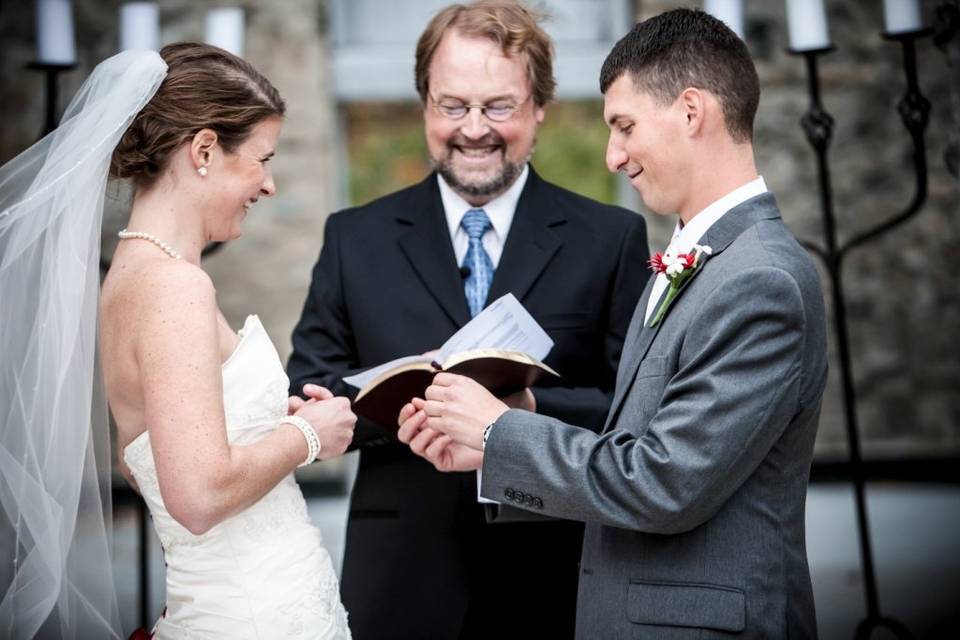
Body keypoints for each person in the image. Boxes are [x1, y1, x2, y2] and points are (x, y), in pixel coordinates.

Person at [400, 8, 829, 639]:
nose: (612, 155)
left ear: (690, 111)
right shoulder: (701, 260)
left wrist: (498, 430)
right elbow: (638, 438)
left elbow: (664, 481)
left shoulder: (759, 280)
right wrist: (520, 416)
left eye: (624, 126)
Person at [286, 1, 649, 637]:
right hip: (400, 576)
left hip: (555, 571)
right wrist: (409, 408)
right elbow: (309, 387)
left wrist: (527, 412)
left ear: (540, 107)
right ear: (425, 103)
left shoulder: (609, 237)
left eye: (498, 106)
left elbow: (633, 408)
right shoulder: (354, 237)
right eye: (452, 105)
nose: (473, 129)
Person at [1, 44, 354, 639]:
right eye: (262, 159)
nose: (268, 185)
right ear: (205, 151)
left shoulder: (131, 278)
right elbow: (196, 496)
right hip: (254, 616)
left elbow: (138, 464)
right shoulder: (174, 287)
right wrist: (308, 435)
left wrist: (259, 432)